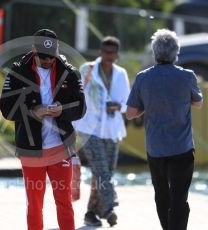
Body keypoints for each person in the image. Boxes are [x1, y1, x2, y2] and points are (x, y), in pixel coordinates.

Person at [0, 29, 86, 230]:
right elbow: (6, 109)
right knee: (34, 204)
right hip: (31, 149)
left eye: (51, 57)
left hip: (61, 147)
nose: (47, 61)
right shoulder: (17, 71)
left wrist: (62, 110)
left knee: (64, 202)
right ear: (33, 50)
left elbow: (81, 107)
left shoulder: (70, 73)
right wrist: (32, 111)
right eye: (43, 57)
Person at [126, 29, 203, 230]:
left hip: (156, 148)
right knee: (180, 197)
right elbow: (198, 103)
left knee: (161, 194)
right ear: (176, 52)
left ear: (154, 52)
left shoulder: (142, 78)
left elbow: (131, 113)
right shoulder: (187, 76)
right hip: (182, 147)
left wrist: (148, 106)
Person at [73, 36, 130, 227]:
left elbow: (126, 103)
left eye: (112, 52)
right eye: (105, 51)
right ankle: (109, 206)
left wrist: (117, 106)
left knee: (104, 172)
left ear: (117, 54)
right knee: (101, 169)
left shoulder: (121, 74)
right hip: (89, 128)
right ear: (99, 52)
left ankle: (91, 213)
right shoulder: (87, 70)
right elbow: (82, 96)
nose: (108, 55)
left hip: (112, 130)